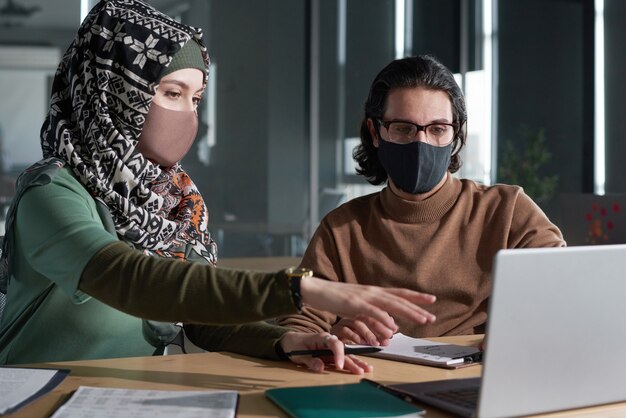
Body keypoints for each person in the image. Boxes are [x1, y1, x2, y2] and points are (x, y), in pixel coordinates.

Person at [0, 0, 438, 374]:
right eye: (172, 93)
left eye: (195, 99)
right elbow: (127, 278)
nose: (190, 116)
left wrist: (280, 341)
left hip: (124, 395)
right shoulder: (52, 192)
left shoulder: (176, 201)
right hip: (38, 396)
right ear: (115, 92)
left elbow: (197, 314)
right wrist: (297, 289)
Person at [277, 55, 565, 346]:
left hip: (475, 378)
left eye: (438, 129)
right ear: (376, 132)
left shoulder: (507, 210)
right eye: (403, 128)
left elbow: (564, 294)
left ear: (455, 134)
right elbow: (299, 322)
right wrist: (334, 336)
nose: (422, 143)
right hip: (374, 377)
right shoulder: (342, 229)